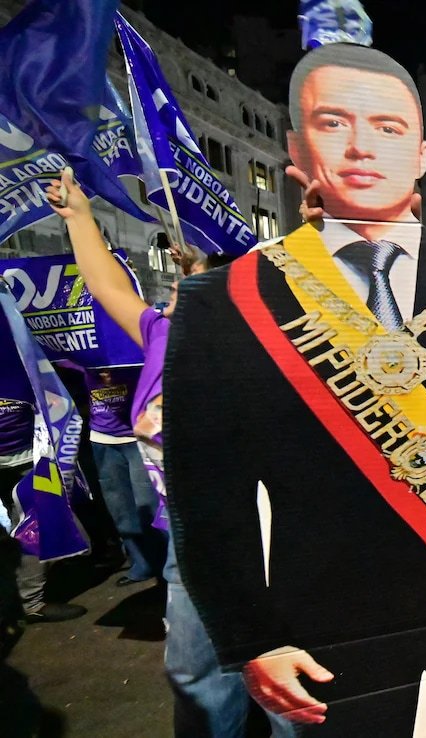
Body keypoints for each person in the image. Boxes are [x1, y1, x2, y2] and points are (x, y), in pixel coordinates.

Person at [166, 43, 426, 737]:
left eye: (388, 127)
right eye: (333, 123)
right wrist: (250, 636)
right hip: (321, 622)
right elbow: (206, 492)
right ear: (296, 147)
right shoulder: (229, 299)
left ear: (421, 153)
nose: (361, 146)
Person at [44, 170, 262, 736]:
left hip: (266, 543)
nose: (167, 303)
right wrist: (80, 218)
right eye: (172, 294)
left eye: (187, 292)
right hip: (187, 545)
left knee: (286, 693)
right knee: (196, 680)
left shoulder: (263, 351)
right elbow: (106, 286)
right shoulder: (160, 336)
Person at [0, 398, 86, 624]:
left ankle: (24, 598)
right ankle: (30, 603)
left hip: (33, 455)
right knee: (30, 526)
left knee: (32, 522)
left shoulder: (18, 375)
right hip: (10, 464)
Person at [83, 367, 165, 586]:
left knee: (148, 504)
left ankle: (164, 568)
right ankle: (141, 564)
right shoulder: (82, 357)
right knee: (120, 508)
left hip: (137, 435)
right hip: (103, 438)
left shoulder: (129, 354)